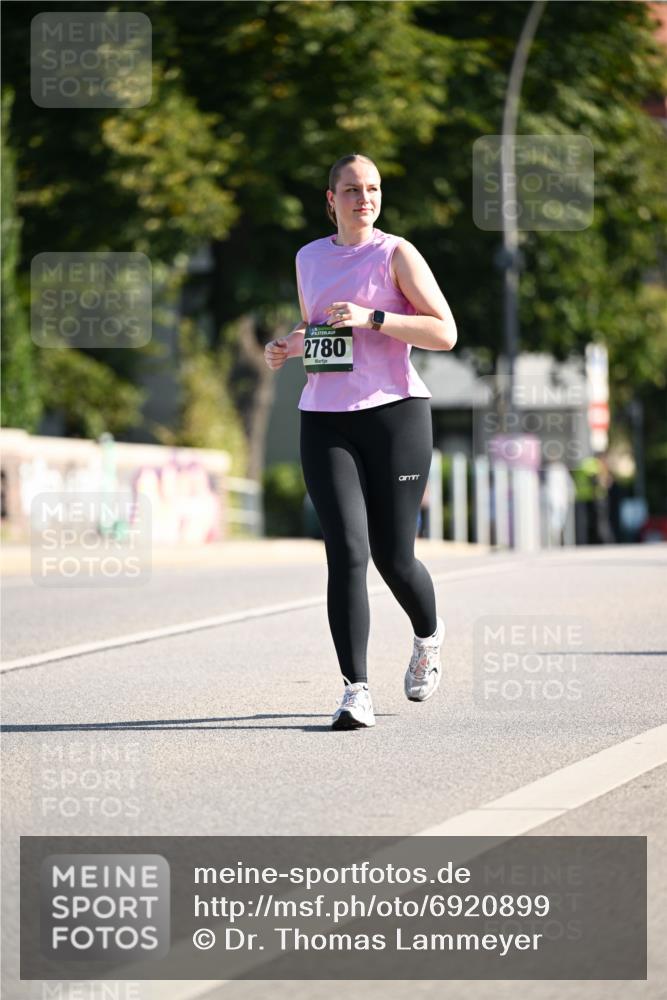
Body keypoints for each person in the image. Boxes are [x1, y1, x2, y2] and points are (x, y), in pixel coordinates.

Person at [264, 153, 457, 730]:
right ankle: (356, 690)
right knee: (346, 552)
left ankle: (428, 635)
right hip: (325, 417)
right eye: (351, 190)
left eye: (371, 189)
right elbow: (326, 332)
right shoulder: (309, 258)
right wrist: (291, 345)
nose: (363, 198)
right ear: (331, 200)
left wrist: (375, 317)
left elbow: (443, 331)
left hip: (396, 415)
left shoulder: (396, 253)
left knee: (393, 558)